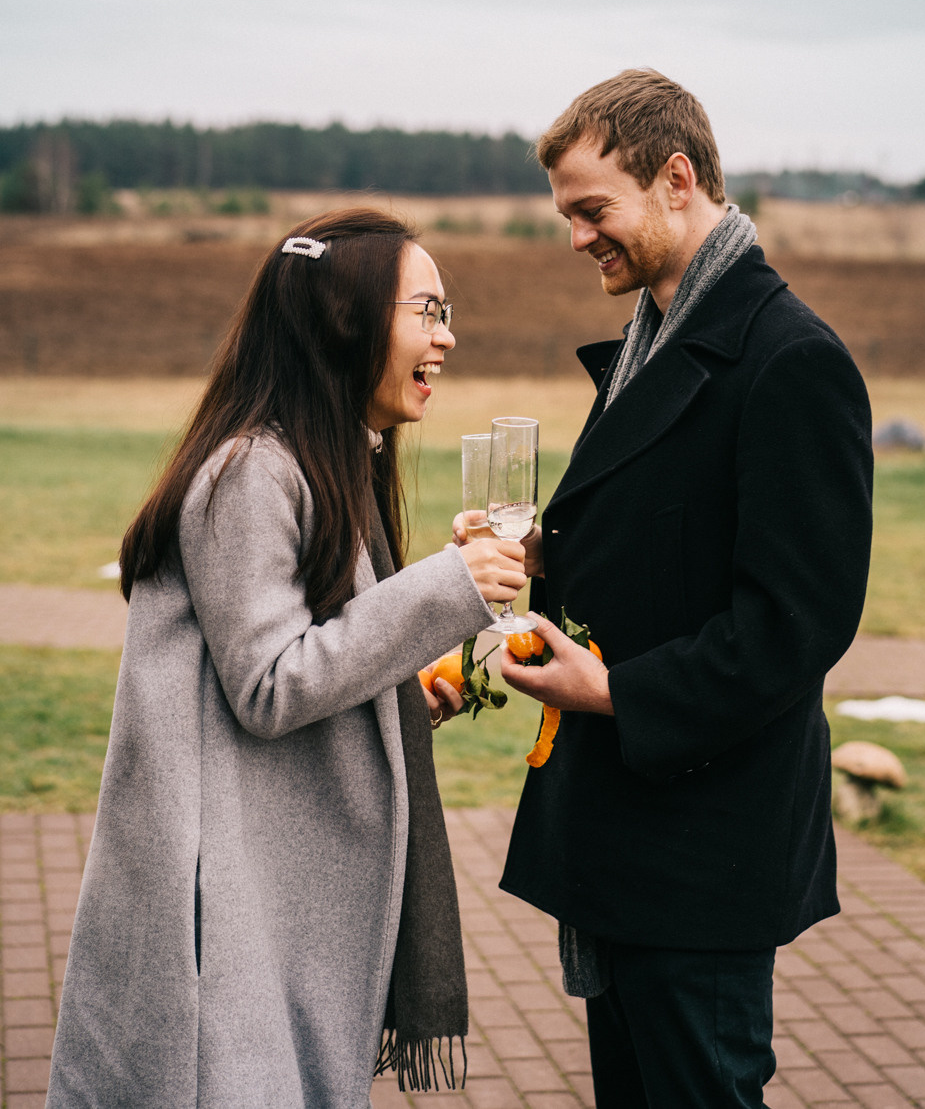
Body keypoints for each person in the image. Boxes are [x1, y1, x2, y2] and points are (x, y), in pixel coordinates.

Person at [46, 209, 526, 1109]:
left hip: (268, 893)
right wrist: (443, 589)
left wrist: (409, 684)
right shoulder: (251, 472)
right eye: (427, 309)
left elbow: (305, 656)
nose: (448, 335)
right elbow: (269, 684)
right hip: (219, 909)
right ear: (345, 322)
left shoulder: (328, 458)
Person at [497, 70, 873, 1108]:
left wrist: (613, 694)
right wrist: (549, 553)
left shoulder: (790, 360)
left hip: (701, 855)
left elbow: (794, 626)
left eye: (590, 211)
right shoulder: (657, 334)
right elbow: (675, 541)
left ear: (674, 180)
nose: (576, 238)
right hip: (626, 841)